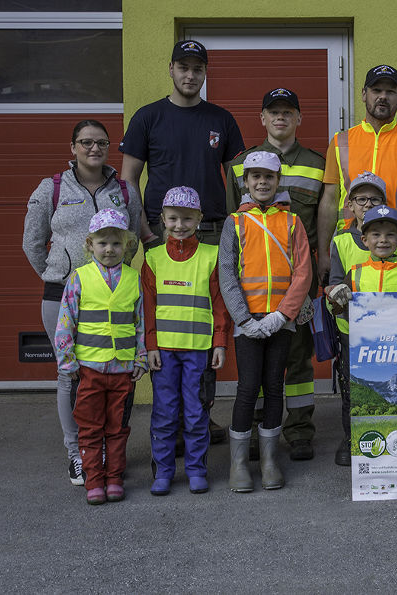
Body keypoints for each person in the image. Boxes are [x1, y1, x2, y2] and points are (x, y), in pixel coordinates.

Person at [121, 38, 245, 445]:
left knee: (203, 326)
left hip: (211, 231)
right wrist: (144, 231)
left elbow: (239, 182)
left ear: (205, 73)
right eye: (183, 67)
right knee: (164, 325)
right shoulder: (148, 118)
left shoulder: (222, 120)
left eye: (198, 69)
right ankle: (170, 422)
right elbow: (128, 179)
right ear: (171, 69)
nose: (190, 75)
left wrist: (233, 230)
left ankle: (200, 418)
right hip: (162, 233)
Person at [23, 119, 142, 487]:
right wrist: (61, 272)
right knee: (70, 373)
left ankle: (103, 450)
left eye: (102, 143)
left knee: (107, 375)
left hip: (110, 292)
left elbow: (133, 237)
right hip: (63, 292)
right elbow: (32, 242)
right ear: (72, 147)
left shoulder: (123, 189)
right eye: (86, 142)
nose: (94, 149)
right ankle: (77, 452)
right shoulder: (52, 188)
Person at [226, 87, 325, 461]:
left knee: (298, 358)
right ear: (262, 118)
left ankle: (300, 429)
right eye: (273, 111)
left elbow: (322, 218)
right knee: (257, 361)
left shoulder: (318, 163)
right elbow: (231, 222)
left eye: (288, 111)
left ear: (299, 118)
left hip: (299, 279)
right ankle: (253, 429)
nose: (280, 117)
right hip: (253, 287)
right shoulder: (239, 165)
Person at [219, 151, 312, 492]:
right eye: (254, 176)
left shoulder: (292, 222)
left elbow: (303, 272)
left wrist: (281, 315)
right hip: (247, 323)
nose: (261, 182)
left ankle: (271, 460)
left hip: (280, 322)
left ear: (278, 181)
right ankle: (239, 463)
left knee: (274, 385)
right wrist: (244, 319)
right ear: (245, 182)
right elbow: (226, 273)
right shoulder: (235, 222)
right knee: (247, 388)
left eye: (268, 177)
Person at [53, 209, 147, 505]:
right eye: (103, 243)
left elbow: (140, 322)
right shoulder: (79, 278)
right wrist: (67, 362)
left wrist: (141, 357)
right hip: (89, 369)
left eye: (116, 244)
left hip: (122, 370)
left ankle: (115, 477)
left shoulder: (133, 279)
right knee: (91, 428)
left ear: (127, 246)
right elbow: (65, 322)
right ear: (89, 244)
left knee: (117, 428)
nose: (110, 249)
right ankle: (94, 479)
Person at [143, 187, 231, 496]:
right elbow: (148, 308)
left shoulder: (212, 255)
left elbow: (220, 303)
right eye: (173, 218)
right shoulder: (152, 258)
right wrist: (150, 346)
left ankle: (196, 470)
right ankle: (164, 472)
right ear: (163, 220)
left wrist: (220, 342)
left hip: (199, 351)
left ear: (199, 219)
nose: (180, 225)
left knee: (197, 414)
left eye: (187, 218)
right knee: (165, 415)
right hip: (164, 353)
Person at [324, 174, 397, 465]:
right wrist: (336, 294)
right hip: (353, 330)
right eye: (361, 199)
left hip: (395, 335)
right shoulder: (341, 241)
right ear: (350, 204)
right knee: (354, 387)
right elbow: (334, 282)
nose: (367, 204)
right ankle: (353, 440)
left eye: (374, 199)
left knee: (394, 386)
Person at [317, 64, 397, 276]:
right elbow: (329, 200)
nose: (383, 96)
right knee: (345, 309)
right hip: (349, 248)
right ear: (364, 94)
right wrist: (325, 254)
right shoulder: (340, 142)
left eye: (390, 91)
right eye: (376, 90)